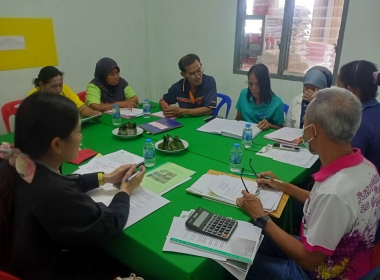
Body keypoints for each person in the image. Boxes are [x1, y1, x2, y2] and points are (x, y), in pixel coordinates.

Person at [236, 88, 380, 280]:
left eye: (305, 124)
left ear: (313, 130)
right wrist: (283, 185)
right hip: (346, 258)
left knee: (235, 263)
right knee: (247, 239)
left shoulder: (335, 192)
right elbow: (322, 204)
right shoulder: (366, 167)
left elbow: (308, 260)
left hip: (320, 272)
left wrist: (261, 217)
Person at [0, 93, 146, 280]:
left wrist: (105, 178)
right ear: (57, 144)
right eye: (78, 131)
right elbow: (108, 223)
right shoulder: (54, 193)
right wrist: (125, 191)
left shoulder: (15, 164)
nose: (81, 136)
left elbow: (59, 183)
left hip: (22, 262)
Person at [337, 60, 380, 171]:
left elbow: (345, 167)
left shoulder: (358, 122)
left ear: (350, 90)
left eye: (339, 88)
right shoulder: (375, 110)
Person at [159, 54, 217, 118]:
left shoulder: (209, 81)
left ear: (201, 65)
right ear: (183, 75)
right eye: (192, 74)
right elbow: (163, 101)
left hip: (204, 121)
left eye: (199, 70)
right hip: (186, 122)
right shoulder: (178, 87)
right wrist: (167, 110)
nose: (197, 76)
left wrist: (183, 111)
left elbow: (208, 110)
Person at [28, 66, 101, 117]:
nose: (59, 89)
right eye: (54, 86)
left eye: (60, 84)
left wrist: (93, 113)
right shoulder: (33, 98)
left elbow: (81, 108)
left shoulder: (65, 89)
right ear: (42, 84)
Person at [235, 64, 284, 130]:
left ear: (266, 84)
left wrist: (269, 125)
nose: (254, 88)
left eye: (258, 84)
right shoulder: (244, 94)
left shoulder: (277, 103)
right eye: (250, 84)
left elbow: (281, 129)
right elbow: (238, 119)